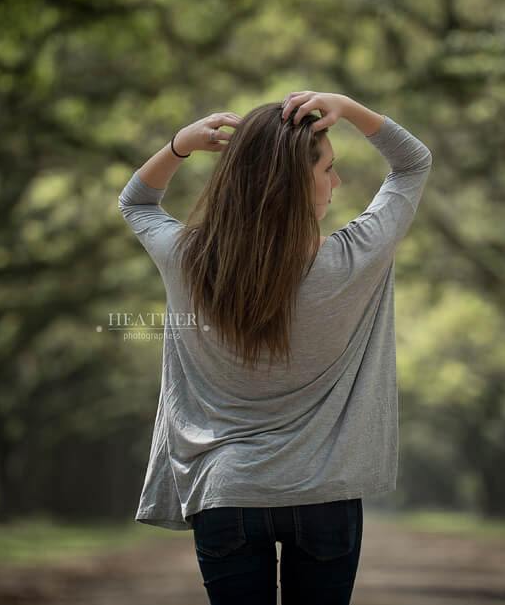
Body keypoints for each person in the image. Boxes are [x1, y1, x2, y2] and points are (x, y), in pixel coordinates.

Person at [117, 91, 432, 605]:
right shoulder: (355, 259)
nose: (337, 183)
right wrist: (348, 109)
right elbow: (412, 162)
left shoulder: (188, 261)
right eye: (328, 169)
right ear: (294, 183)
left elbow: (135, 201)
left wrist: (179, 146)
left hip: (226, 492)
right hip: (324, 495)